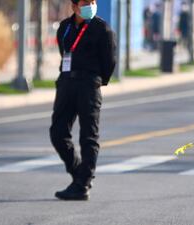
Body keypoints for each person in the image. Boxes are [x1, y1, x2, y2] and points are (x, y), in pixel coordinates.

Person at [50, 0, 116, 200]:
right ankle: (79, 174)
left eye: (93, 2)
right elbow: (64, 54)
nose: (91, 5)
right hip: (67, 83)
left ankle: (82, 184)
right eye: (86, 2)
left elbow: (109, 62)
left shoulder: (102, 28)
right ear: (74, 6)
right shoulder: (65, 27)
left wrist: (96, 81)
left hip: (89, 85)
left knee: (88, 136)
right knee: (58, 132)